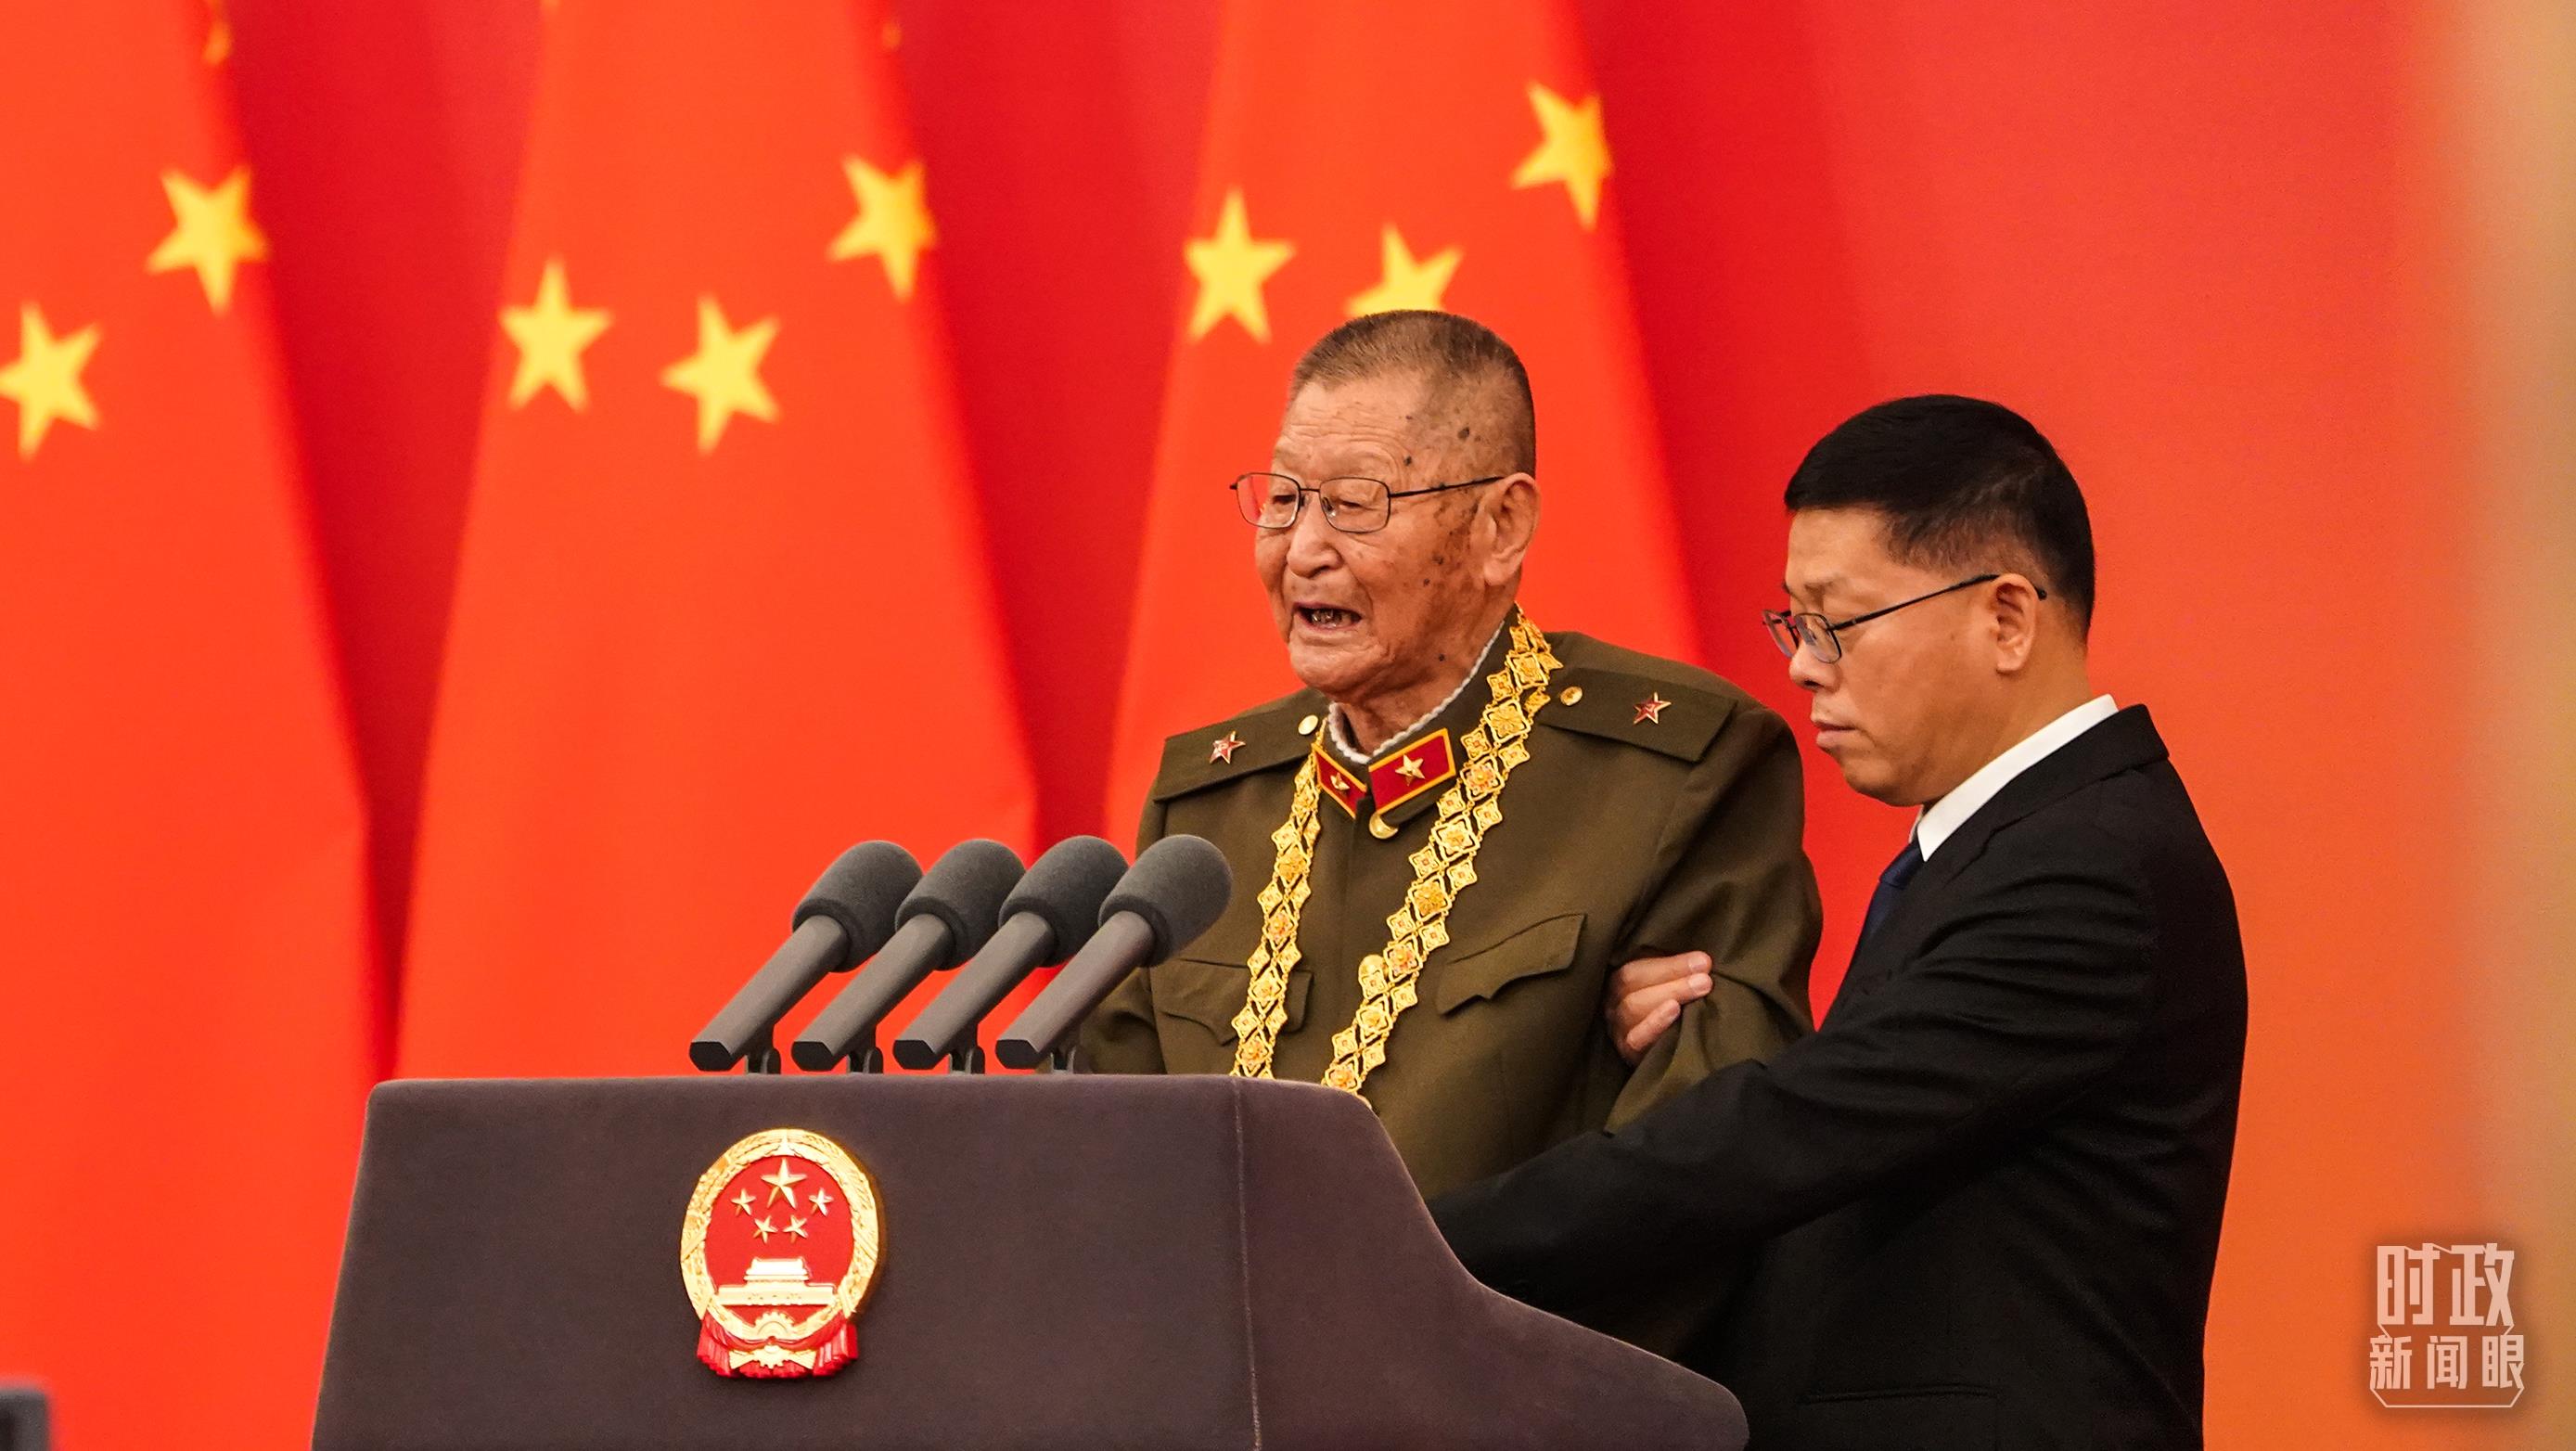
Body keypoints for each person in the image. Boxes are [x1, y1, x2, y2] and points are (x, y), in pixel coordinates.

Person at [1432, 395, 2248, 1450]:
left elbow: (1785, 1136)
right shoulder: (2001, 848)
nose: (1802, 665)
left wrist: (1418, 1243)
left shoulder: (2089, 871)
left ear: (2005, 618)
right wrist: (1685, 1037)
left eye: (1836, 623)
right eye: (1792, 623)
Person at [1080, 311, 1819, 1213]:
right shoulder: (1210, 807)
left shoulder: (1670, 776)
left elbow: (1694, 1176)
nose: (1303, 551)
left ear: (1499, 526)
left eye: (1353, 503)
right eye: (1282, 500)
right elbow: (1108, 1148)